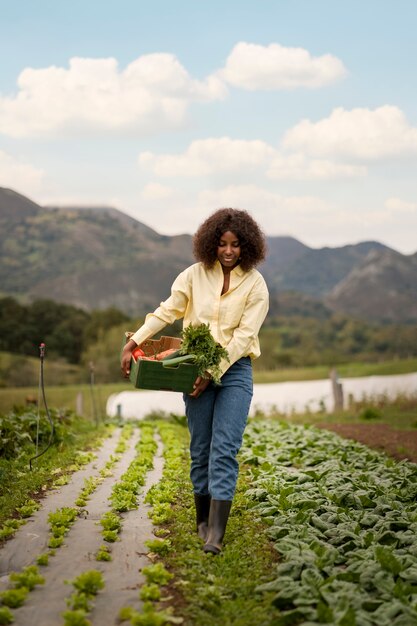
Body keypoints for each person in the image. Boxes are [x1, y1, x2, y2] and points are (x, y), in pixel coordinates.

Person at [121, 208, 269, 555]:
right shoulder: (193, 276)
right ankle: (202, 520)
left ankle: (216, 534)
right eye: (222, 244)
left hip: (235, 371)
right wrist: (134, 342)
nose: (229, 251)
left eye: (235, 245)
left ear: (247, 245)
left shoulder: (256, 285)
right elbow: (167, 312)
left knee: (225, 449)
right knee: (200, 447)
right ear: (211, 244)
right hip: (192, 367)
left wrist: (211, 372)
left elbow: (243, 339)